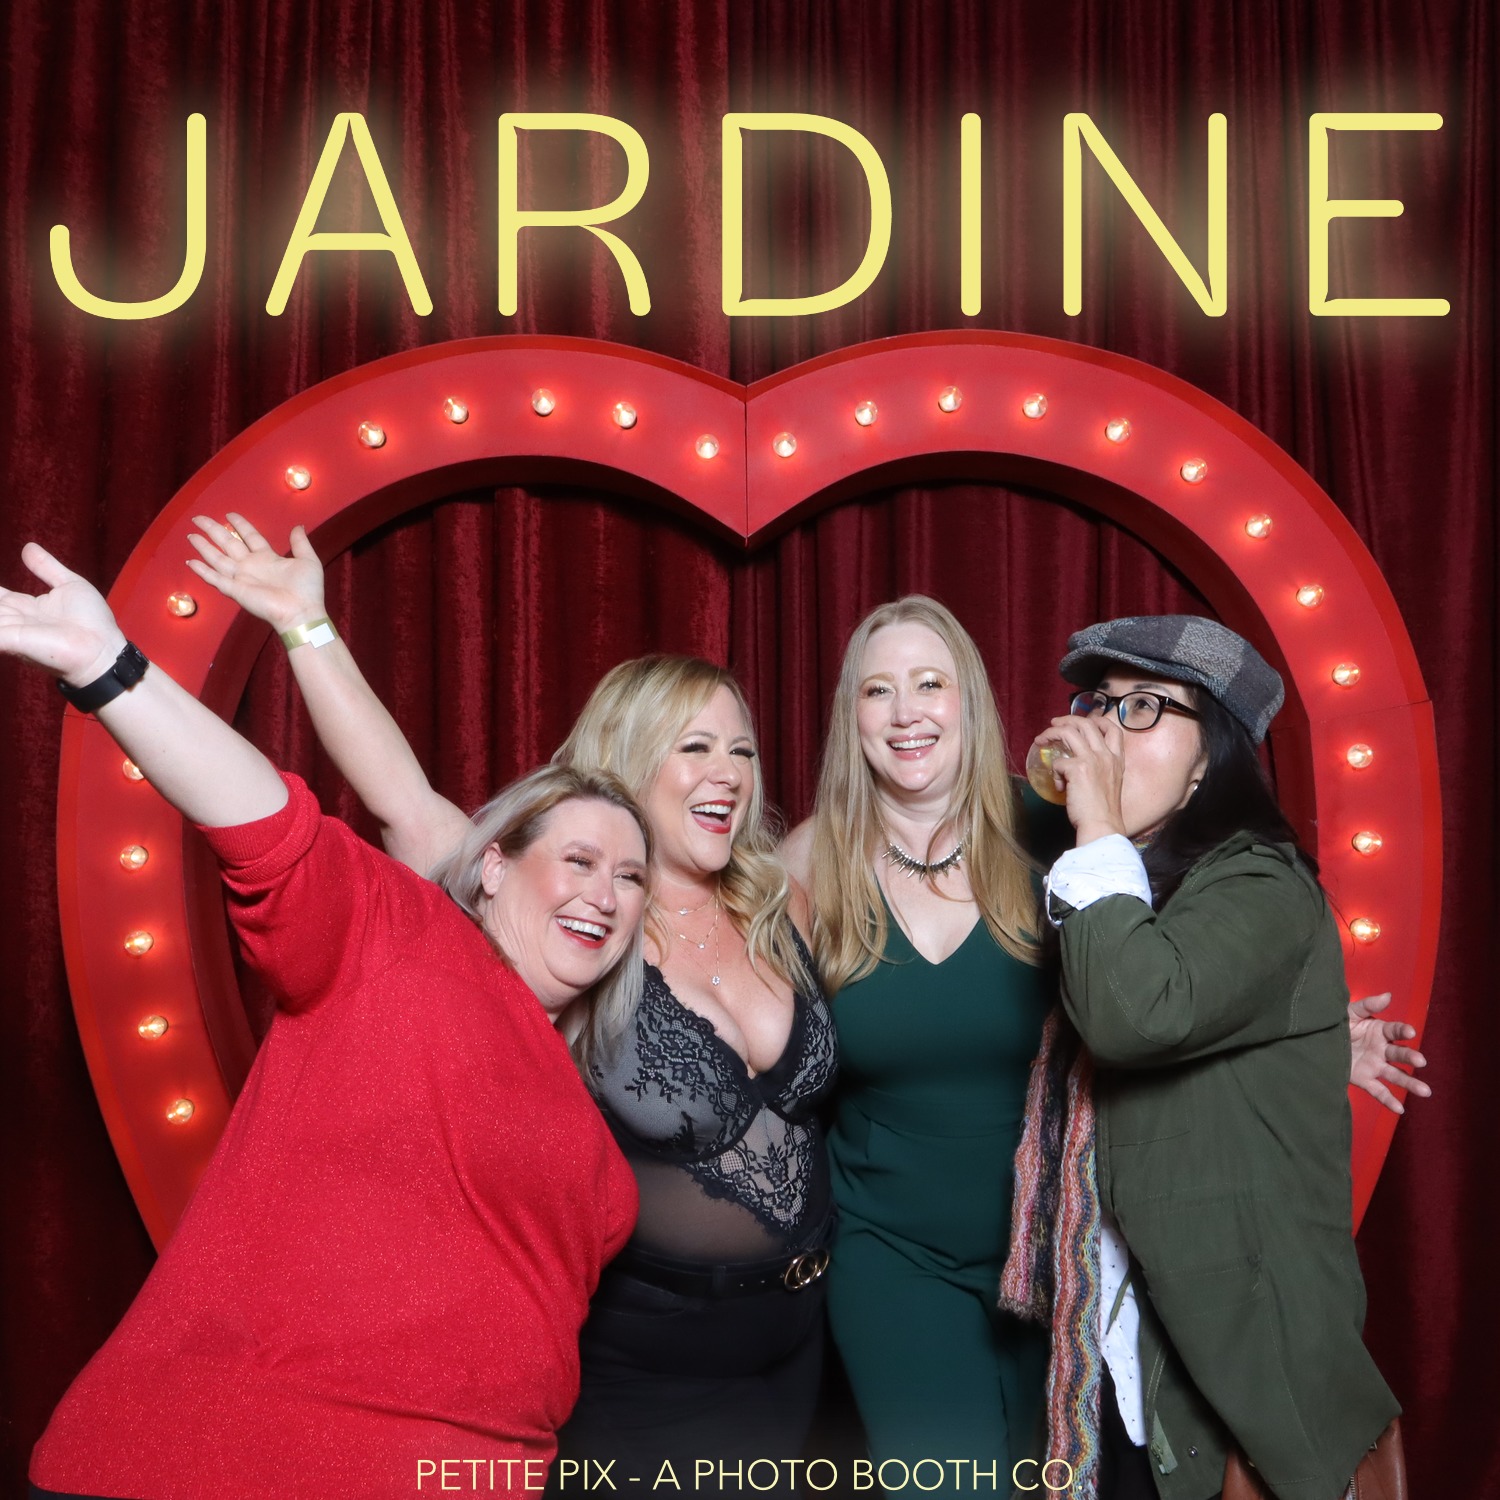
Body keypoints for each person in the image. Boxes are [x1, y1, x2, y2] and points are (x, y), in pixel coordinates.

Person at [184, 515, 837, 1493]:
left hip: (799, 1345)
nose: (729, 775)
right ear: (630, 760)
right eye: (696, 746)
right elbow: (407, 802)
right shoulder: (569, 921)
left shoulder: (780, 900)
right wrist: (304, 625)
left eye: (741, 751)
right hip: (642, 1365)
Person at [4, 544, 650, 1500]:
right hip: (222, 1462)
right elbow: (266, 821)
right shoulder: (401, 934)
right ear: (494, 866)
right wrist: (110, 668)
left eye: (632, 878)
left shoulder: (582, 1108)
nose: (606, 893)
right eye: (582, 861)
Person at [780, 598, 1425, 1496]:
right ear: (849, 714)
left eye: (930, 683)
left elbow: (1166, 975)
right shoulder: (807, 865)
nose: (905, 711)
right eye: (876, 690)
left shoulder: (1067, 833)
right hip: (895, 1251)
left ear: (973, 702)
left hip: (1060, 1254)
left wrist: (1307, 1040)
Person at [1022, 615, 1400, 1500]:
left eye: (1146, 707)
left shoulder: (1263, 883)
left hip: (1243, 1370)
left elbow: (1135, 1014)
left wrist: (1096, 827)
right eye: (1100, 703)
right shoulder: (1120, 880)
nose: (1107, 731)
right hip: (1110, 1347)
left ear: (1209, 760)